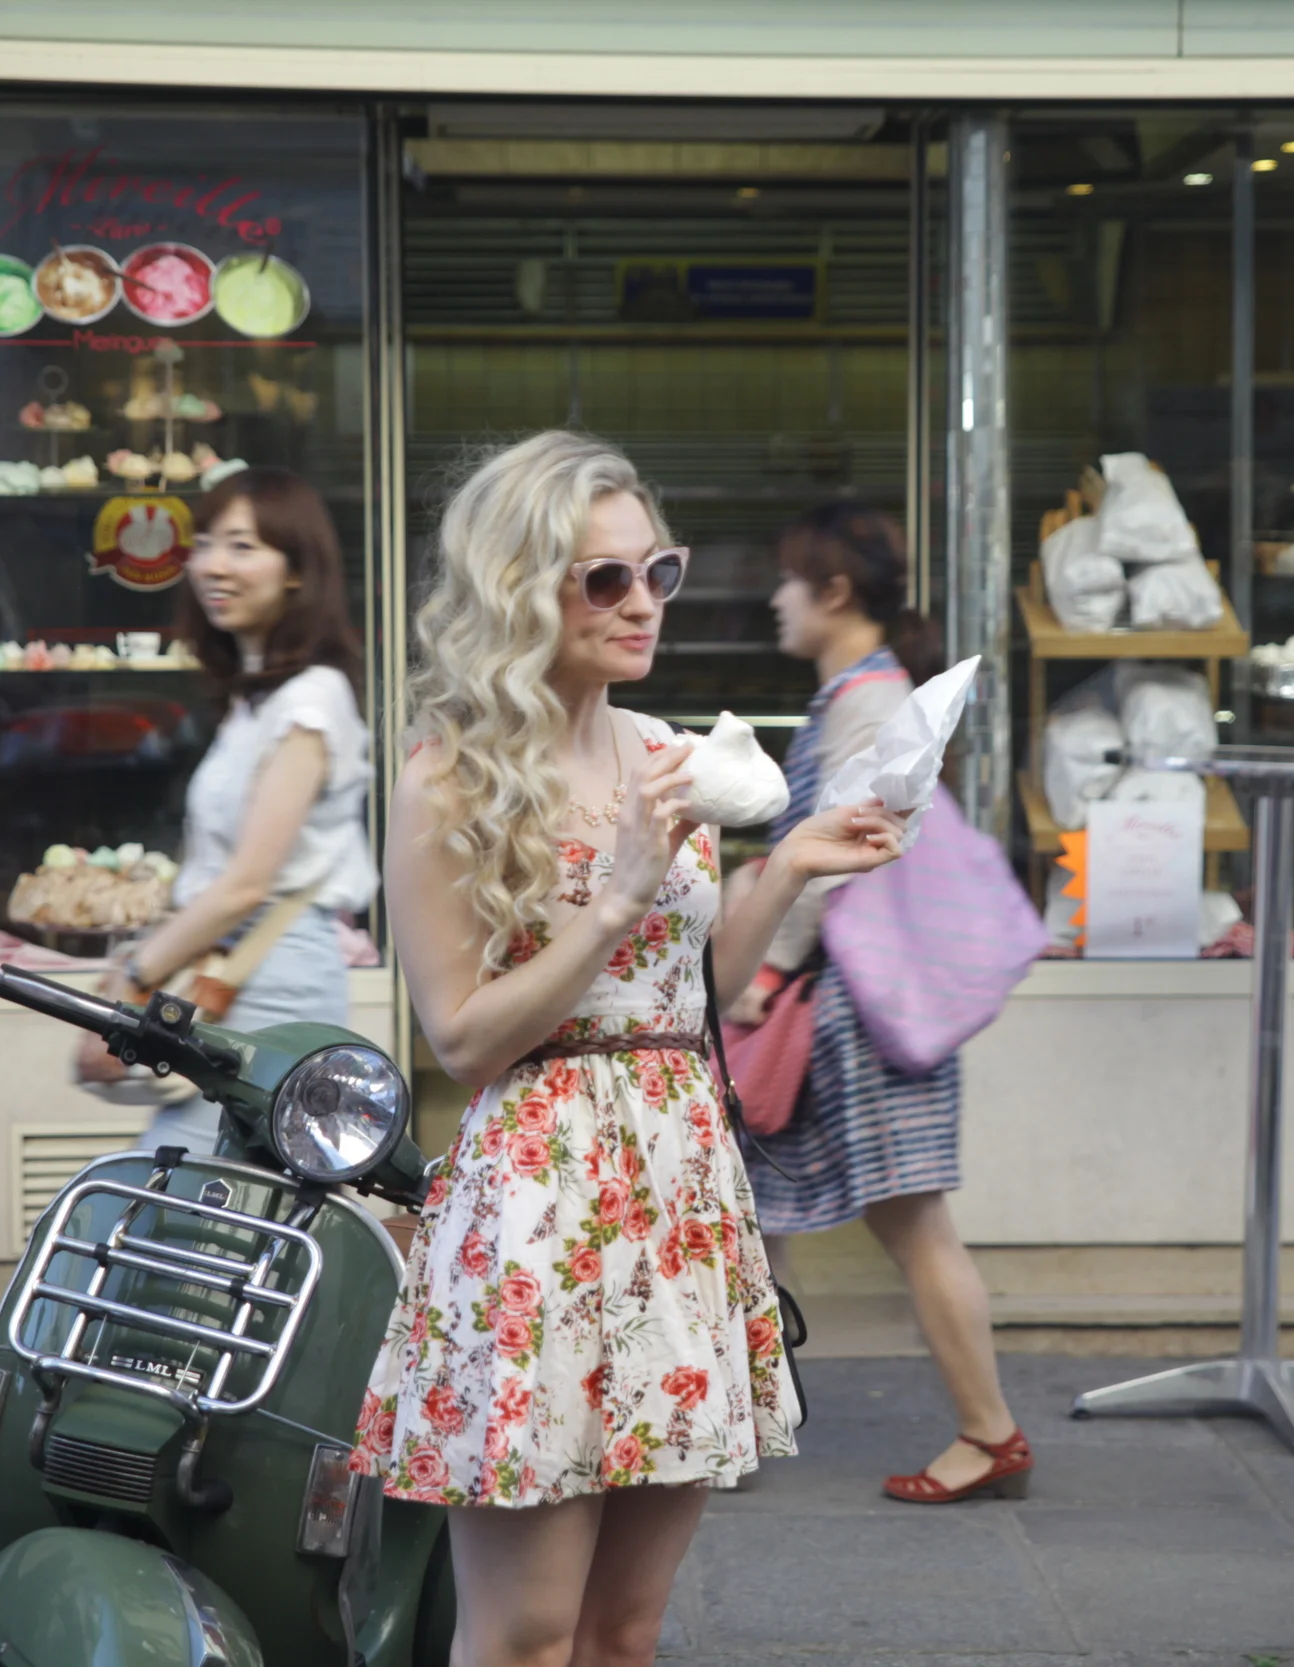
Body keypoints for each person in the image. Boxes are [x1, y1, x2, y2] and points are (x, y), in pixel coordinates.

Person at [351, 432, 904, 1667]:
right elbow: (463, 1037)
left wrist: (786, 865)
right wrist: (613, 895)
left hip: (680, 1186)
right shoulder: (448, 781)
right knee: (528, 1634)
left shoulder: (669, 755)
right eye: (604, 579)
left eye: (657, 569)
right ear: (517, 585)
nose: (643, 601)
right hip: (542, 1200)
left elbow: (689, 992)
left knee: (625, 1630)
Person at [724, 503, 1029, 1505]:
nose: (774, 599)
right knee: (757, 1200)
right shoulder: (857, 694)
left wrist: (762, 969)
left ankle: (988, 1431)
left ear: (835, 594)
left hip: (863, 1008)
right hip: (852, 1001)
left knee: (910, 1223)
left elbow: (831, 858)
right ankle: (733, 1409)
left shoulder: (867, 700)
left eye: (787, 580)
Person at [73, 467, 376, 1152]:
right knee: (199, 1198)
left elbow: (246, 882)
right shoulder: (257, 702)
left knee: (187, 1194)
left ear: (298, 571)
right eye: (206, 542)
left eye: (242, 546)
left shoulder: (311, 698)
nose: (213, 564)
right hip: (237, 962)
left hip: (270, 972)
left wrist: (132, 976)